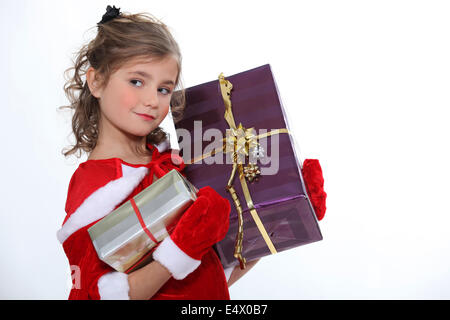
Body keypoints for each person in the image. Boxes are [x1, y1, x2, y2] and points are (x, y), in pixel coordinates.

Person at [57, 5, 327, 300]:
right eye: (137, 81)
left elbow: (211, 278)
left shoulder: (177, 166)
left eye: (164, 88)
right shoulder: (96, 186)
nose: (151, 100)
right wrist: (182, 248)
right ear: (96, 81)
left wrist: (286, 215)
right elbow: (98, 294)